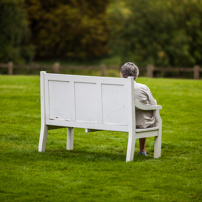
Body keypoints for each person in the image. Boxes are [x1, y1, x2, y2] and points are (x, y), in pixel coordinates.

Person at [120, 62, 157, 156]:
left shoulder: (116, 87)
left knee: (140, 115)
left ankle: (142, 150)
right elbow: (154, 104)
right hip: (139, 122)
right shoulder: (142, 88)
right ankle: (142, 150)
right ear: (136, 75)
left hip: (119, 120)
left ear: (122, 74)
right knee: (143, 116)